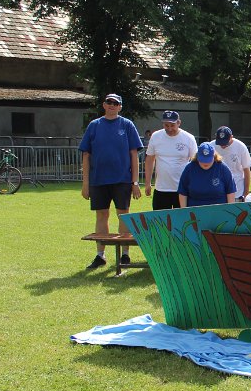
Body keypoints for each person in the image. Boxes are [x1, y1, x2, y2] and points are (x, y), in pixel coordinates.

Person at [78, 93, 143, 269]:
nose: (112, 105)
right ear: (104, 105)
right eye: (109, 102)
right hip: (98, 180)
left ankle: (125, 255)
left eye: (115, 103)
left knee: (123, 214)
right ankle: (100, 255)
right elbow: (86, 155)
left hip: (122, 179)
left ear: (120, 107)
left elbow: (134, 155)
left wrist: (135, 182)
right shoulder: (94, 125)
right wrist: (85, 184)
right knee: (101, 215)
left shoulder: (127, 125)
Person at [144, 110, 197, 210]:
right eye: (166, 125)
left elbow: (195, 162)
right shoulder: (156, 136)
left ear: (179, 123)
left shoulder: (188, 138)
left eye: (172, 125)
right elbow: (150, 160)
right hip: (161, 189)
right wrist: (147, 183)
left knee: (182, 218)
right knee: (160, 219)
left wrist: (194, 184)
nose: (169, 128)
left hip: (182, 189)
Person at [177, 141, 236, 207]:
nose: (205, 163)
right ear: (197, 157)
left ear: (214, 156)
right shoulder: (189, 168)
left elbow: (230, 191)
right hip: (195, 210)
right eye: (203, 160)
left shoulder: (223, 168)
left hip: (219, 209)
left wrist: (230, 209)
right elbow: (183, 192)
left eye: (208, 160)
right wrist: (184, 210)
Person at [214, 126, 251, 201]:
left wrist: (246, 193)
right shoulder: (212, 146)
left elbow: (247, 170)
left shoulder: (241, 147)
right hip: (217, 190)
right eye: (220, 143)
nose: (223, 146)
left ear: (231, 137)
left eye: (225, 142)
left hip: (237, 191)